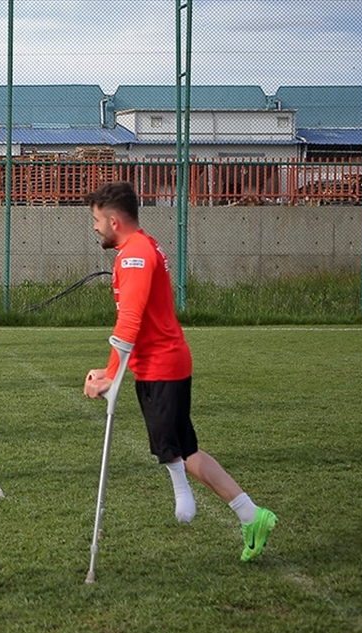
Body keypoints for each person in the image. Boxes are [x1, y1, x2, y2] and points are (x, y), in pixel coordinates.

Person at [82, 181, 277, 562]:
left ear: (115, 220)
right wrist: (113, 369)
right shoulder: (141, 246)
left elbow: (130, 320)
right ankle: (251, 515)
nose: (94, 227)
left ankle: (202, 501)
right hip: (163, 362)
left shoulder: (134, 254)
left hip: (161, 366)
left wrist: (109, 375)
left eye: (96, 220)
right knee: (185, 448)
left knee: (171, 446)